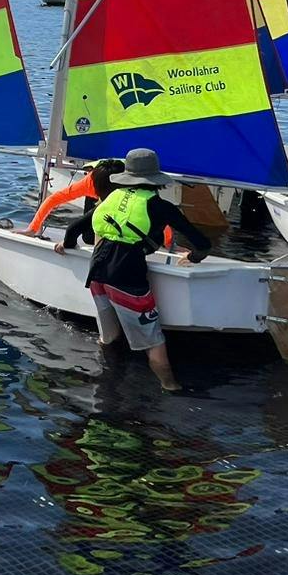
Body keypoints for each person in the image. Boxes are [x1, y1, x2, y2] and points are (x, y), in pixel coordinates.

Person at [56, 148, 211, 392]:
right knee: (155, 344)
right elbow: (203, 244)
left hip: (96, 271)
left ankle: (108, 378)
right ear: (155, 179)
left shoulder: (111, 199)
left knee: (108, 336)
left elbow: (73, 229)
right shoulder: (161, 207)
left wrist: (66, 247)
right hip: (128, 276)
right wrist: (193, 256)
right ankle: (171, 387)